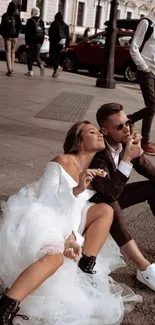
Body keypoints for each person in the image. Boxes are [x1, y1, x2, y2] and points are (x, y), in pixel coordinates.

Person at [0, 121, 141, 325]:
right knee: (55, 259)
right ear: (80, 143)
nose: (100, 134)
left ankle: (85, 268)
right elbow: (44, 202)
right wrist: (76, 191)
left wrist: (74, 236)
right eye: (92, 132)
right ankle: (6, 308)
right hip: (38, 218)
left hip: (66, 220)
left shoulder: (94, 171)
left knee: (105, 210)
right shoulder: (61, 162)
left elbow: (85, 206)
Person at [89, 103, 155, 291]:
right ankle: (144, 268)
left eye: (128, 122)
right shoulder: (98, 154)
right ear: (105, 130)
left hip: (112, 195)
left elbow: (149, 170)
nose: (127, 128)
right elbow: (108, 193)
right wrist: (127, 158)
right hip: (91, 203)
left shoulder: (126, 143)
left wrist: (133, 153)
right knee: (110, 203)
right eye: (119, 126)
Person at [130, 11, 155, 155]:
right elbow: (134, 48)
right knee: (152, 104)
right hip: (147, 70)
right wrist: (144, 67)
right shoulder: (146, 23)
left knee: (152, 106)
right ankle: (145, 142)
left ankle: (130, 119)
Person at [0, 2, 21, 76]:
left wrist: (3, 34)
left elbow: (1, 26)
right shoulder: (17, 16)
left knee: (7, 52)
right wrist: (17, 34)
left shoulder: (5, 15)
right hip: (15, 37)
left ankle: (9, 69)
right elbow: (19, 26)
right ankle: (12, 68)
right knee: (13, 52)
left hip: (7, 37)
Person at [25, 7, 44, 77]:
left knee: (29, 56)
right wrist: (41, 42)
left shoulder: (30, 21)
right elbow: (43, 33)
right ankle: (41, 65)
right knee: (37, 56)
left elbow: (27, 33)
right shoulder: (41, 21)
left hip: (31, 42)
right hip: (39, 42)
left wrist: (27, 43)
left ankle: (30, 71)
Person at [49, 12, 69, 78]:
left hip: (54, 43)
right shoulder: (66, 25)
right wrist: (67, 45)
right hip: (62, 43)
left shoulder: (54, 23)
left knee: (53, 57)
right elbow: (67, 36)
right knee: (58, 56)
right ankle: (56, 70)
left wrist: (50, 40)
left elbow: (50, 33)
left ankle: (57, 67)